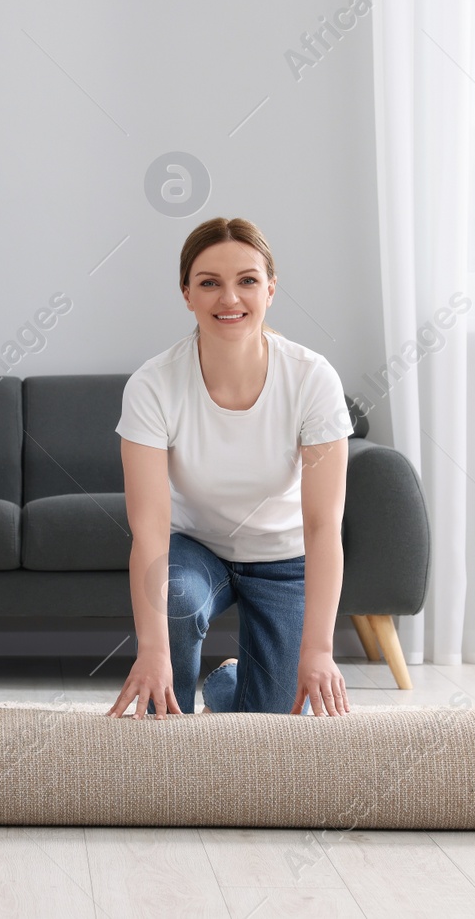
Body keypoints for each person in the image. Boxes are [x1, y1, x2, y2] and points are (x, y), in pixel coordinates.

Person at [107, 217, 353, 719]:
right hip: (195, 550)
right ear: (186, 293)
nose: (229, 299)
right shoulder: (153, 385)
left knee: (267, 733)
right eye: (209, 283)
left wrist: (320, 651)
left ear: (270, 288)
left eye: (246, 281)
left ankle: (228, 689)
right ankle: (168, 731)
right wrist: (151, 652)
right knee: (175, 595)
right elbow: (149, 530)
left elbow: (324, 524)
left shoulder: (312, 379)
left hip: (284, 559)